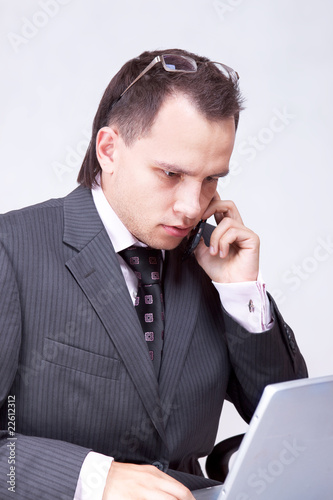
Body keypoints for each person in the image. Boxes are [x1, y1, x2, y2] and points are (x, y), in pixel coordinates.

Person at [0, 49, 307, 500]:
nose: (191, 206)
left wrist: (239, 292)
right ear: (109, 149)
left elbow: (290, 423)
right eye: (170, 173)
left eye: (210, 180)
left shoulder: (209, 257)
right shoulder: (12, 250)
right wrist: (94, 479)